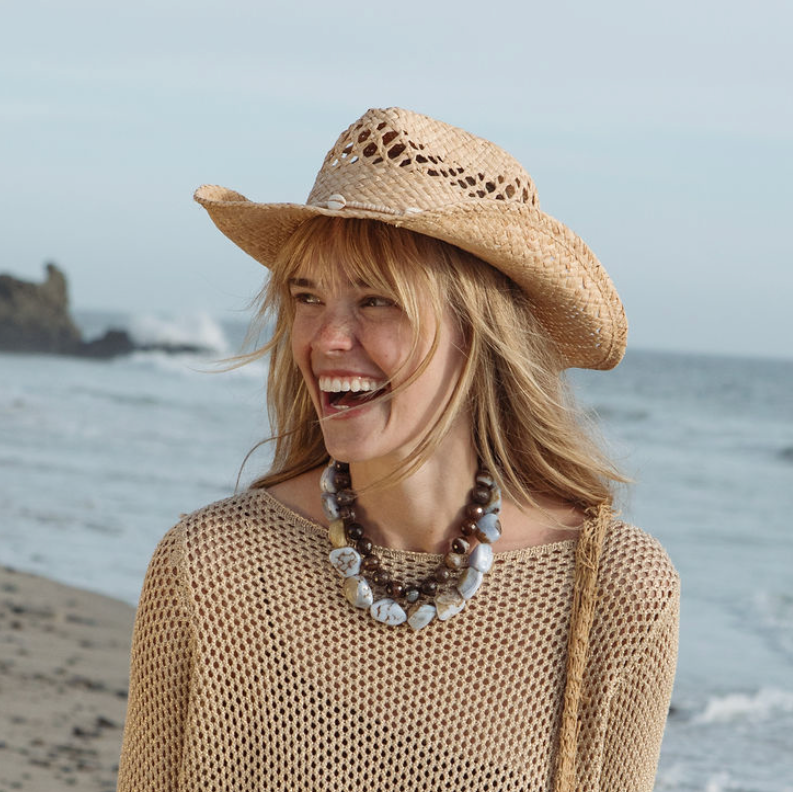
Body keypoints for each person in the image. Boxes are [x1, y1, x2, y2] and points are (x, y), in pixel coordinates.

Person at [118, 107, 679, 792]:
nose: (325, 339)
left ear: (480, 334)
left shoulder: (615, 590)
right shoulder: (211, 566)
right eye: (307, 297)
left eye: (376, 301)